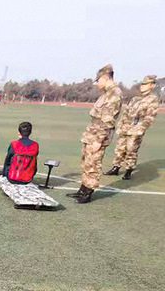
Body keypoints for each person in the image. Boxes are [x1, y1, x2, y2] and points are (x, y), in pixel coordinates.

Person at [67, 64, 122, 203]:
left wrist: (99, 140)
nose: (97, 83)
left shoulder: (114, 94)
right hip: (92, 133)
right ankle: (83, 189)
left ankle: (87, 193)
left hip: (98, 135)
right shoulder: (107, 93)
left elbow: (108, 120)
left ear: (105, 78)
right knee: (87, 162)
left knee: (93, 164)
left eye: (98, 80)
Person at [104, 75, 160, 180]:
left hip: (137, 128)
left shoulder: (152, 99)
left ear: (152, 86)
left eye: (146, 84)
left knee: (131, 150)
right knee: (119, 148)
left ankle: (129, 170)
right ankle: (116, 167)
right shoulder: (135, 99)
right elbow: (126, 112)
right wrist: (121, 125)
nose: (142, 86)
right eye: (142, 84)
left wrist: (141, 128)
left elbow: (150, 117)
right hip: (125, 127)